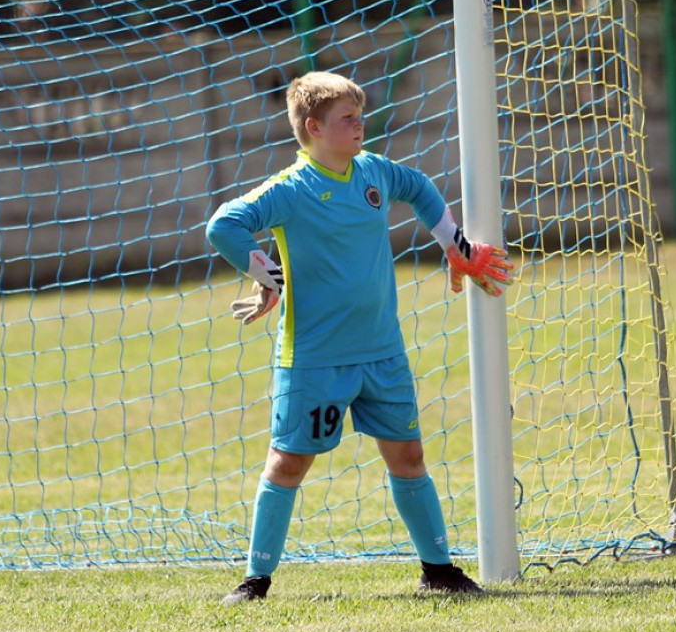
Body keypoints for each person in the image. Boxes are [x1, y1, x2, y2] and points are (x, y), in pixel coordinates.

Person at [206, 71, 514, 604]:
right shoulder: (290, 189)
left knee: (409, 456)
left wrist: (456, 246)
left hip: (382, 353)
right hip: (314, 359)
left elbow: (419, 187)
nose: (360, 125)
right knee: (288, 463)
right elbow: (223, 225)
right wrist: (269, 276)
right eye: (348, 118)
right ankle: (255, 581)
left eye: (360, 115)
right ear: (314, 128)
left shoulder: (373, 171)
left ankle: (439, 571)